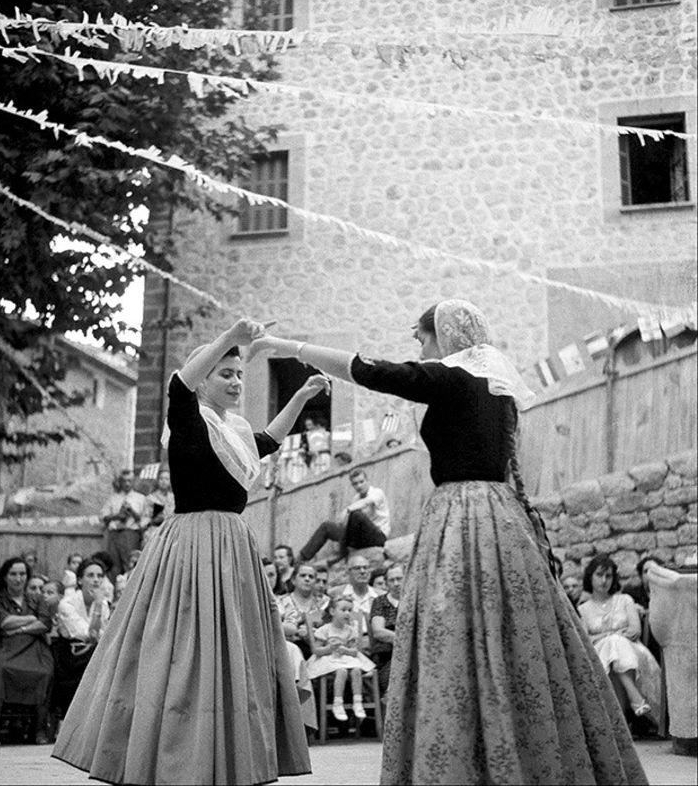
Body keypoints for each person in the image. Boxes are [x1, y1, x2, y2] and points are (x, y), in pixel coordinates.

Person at [249, 299, 648, 783]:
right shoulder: (494, 384)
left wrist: (285, 346)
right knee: (515, 636)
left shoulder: (455, 376)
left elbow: (368, 370)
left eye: (421, 337)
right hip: (500, 517)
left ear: (443, 334)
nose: (419, 348)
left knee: (452, 635)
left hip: (461, 519)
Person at [53, 318, 316, 785]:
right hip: (190, 548)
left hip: (233, 547)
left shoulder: (234, 432)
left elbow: (269, 442)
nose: (236, 382)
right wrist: (230, 337)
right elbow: (179, 380)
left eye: (239, 375)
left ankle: (230, 755)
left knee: (233, 654)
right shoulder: (188, 416)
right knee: (179, 654)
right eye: (225, 374)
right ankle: (171, 756)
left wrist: (300, 396)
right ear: (205, 379)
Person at [579, 554, 660, 720]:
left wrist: (603, 636)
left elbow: (635, 630)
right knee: (613, 644)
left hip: (633, 652)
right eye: (599, 575)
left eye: (608, 576)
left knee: (615, 644)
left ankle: (622, 714)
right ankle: (635, 698)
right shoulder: (583, 609)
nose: (604, 581)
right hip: (600, 656)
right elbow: (585, 641)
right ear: (590, 577)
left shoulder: (624, 600)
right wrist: (613, 634)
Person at [0, 557, 55, 745]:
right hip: (7, 646)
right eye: (14, 574)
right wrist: (31, 618)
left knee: (45, 672)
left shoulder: (37, 598)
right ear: (5, 576)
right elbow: (4, 622)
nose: (19, 578)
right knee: (0, 667)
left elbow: (45, 624)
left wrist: (20, 628)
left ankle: (40, 729)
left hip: (34, 646)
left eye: (22, 574)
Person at [51, 559, 110, 721]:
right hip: (71, 654)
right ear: (79, 580)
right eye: (90, 575)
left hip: (94, 651)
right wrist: (98, 605)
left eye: (100, 576)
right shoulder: (66, 604)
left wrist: (99, 605)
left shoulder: (103, 603)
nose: (96, 580)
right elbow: (87, 634)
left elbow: (103, 635)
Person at [297, 470, 390, 565]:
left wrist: (347, 510)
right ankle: (302, 558)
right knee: (327, 526)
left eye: (362, 482)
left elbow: (366, 502)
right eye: (355, 484)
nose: (359, 486)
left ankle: (344, 552)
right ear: (352, 485)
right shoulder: (356, 498)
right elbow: (351, 523)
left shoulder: (377, 492)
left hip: (378, 537)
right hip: (360, 538)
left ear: (367, 481)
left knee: (356, 514)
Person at [306, 595, 375, 721]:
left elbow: (355, 651)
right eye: (343, 610)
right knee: (341, 671)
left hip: (346, 658)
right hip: (329, 659)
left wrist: (346, 650)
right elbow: (316, 650)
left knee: (356, 670)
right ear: (332, 611)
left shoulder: (350, 630)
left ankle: (357, 702)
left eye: (349, 610)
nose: (347, 613)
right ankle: (337, 703)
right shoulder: (324, 630)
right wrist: (329, 648)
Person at [99, 469, 146, 579]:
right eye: (124, 481)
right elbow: (102, 516)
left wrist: (132, 512)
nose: (127, 484)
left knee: (130, 564)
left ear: (133, 481)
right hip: (115, 534)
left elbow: (145, 520)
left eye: (129, 481)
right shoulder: (113, 498)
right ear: (120, 482)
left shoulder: (140, 498)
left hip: (131, 534)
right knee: (114, 566)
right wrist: (117, 516)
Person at [278, 563, 328, 659]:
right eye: (303, 575)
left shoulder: (325, 603)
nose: (307, 579)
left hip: (320, 651)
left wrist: (311, 633)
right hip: (288, 651)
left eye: (311, 577)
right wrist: (296, 632)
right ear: (293, 580)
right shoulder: (281, 602)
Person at [622, 554, 664, 663]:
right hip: (642, 646)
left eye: (654, 570)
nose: (650, 574)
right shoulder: (631, 595)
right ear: (641, 576)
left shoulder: (669, 594)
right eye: (646, 571)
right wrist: (631, 609)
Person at [370, 563, 404, 694]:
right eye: (391, 580)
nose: (396, 583)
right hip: (388, 658)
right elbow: (379, 632)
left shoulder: (414, 601)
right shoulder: (380, 602)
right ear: (386, 583)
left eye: (399, 579)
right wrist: (406, 642)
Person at [142, 467, 175, 545]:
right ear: (157, 481)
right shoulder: (150, 498)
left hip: (172, 528)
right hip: (156, 528)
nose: (164, 481)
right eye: (161, 479)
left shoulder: (173, 498)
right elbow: (145, 518)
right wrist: (154, 520)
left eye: (167, 479)